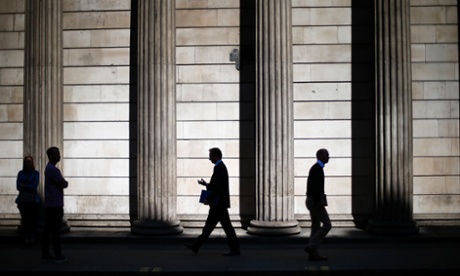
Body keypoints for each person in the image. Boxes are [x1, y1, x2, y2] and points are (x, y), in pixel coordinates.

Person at [184, 147, 241, 256]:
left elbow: (217, 188)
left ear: (216, 155)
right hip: (219, 205)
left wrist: (208, 199)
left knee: (218, 227)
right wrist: (205, 184)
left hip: (218, 205)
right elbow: (216, 186)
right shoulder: (220, 167)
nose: (209, 158)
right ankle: (196, 246)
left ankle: (234, 249)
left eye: (210, 156)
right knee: (213, 227)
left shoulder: (219, 168)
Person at [41, 146, 68, 263]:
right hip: (55, 205)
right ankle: (57, 254)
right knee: (55, 231)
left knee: (49, 230)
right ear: (51, 156)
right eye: (57, 154)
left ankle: (46, 253)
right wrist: (65, 182)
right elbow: (63, 183)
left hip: (51, 204)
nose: (59, 156)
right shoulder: (53, 170)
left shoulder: (49, 169)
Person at [304, 148, 331, 261]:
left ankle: (313, 253)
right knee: (327, 224)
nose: (328, 157)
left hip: (312, 200)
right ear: (320, 156)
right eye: (326, 155)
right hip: (315, 201)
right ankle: (311, 247)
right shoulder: (317, 169)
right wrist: (319, 201)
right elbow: (316, 187)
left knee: (315, 226)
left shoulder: (317, 168)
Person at [15, 155, 41, 247]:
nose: (28, 163)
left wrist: (24, 185)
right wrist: (28, 185)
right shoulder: (20, 173)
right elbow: (18, 187)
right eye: (26, 161)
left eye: (30, 161)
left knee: (33, 220)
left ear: (32, 163)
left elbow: (34, 187)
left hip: (33, 200)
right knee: (25, 220)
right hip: (23, 200)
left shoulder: (36, 173)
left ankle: (32, 237)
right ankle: (26, 238)